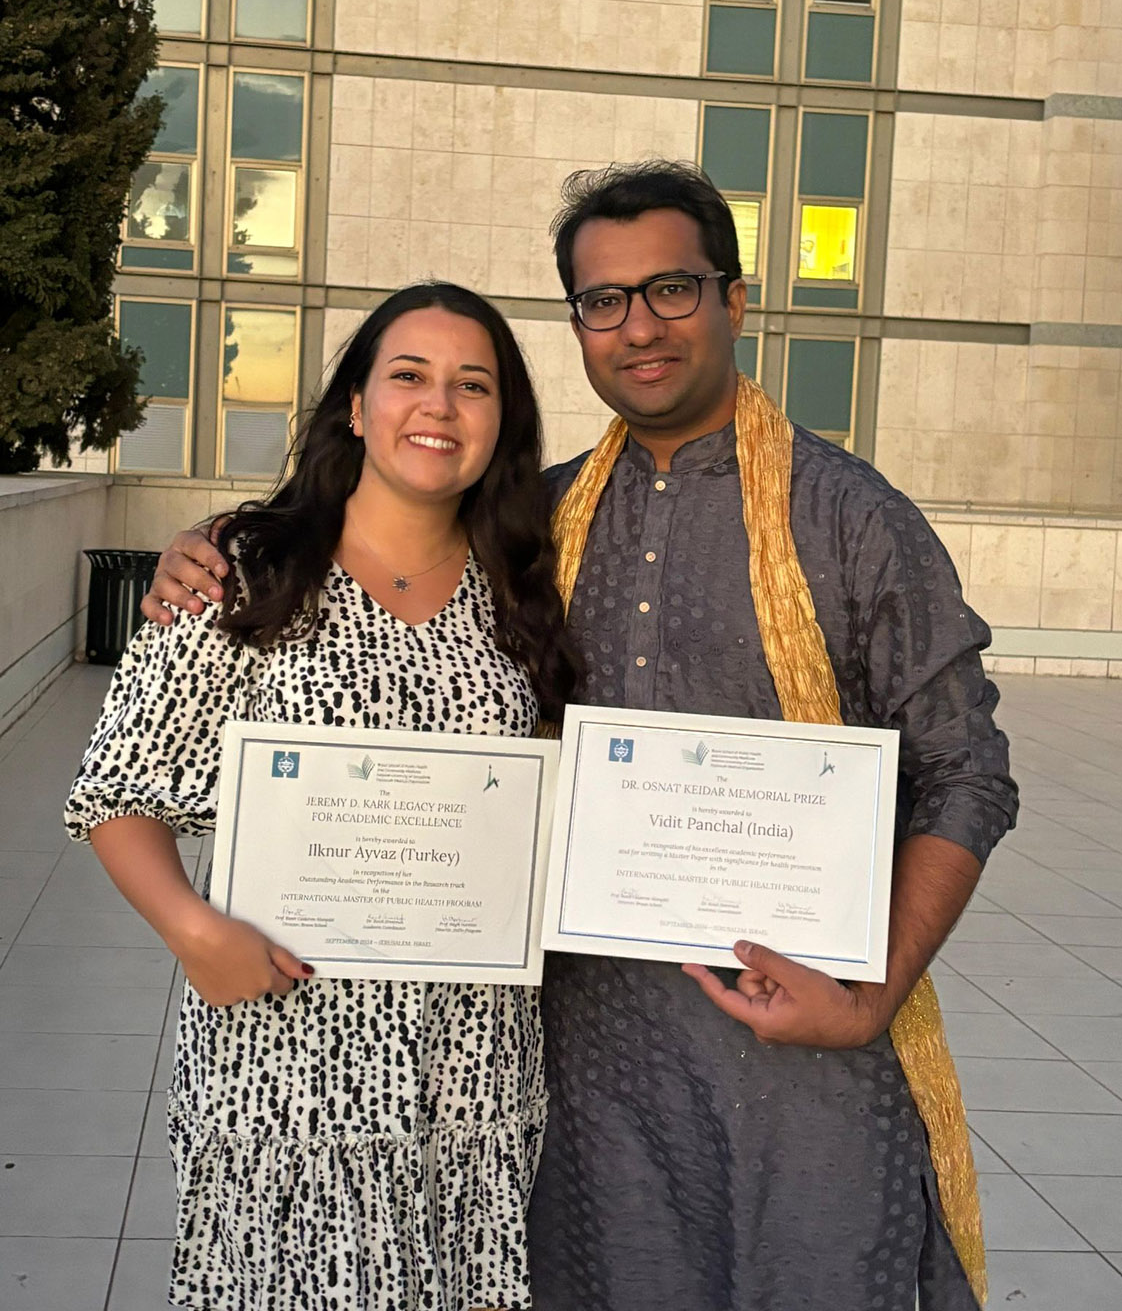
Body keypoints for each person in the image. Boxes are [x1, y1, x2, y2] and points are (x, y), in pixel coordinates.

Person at [141, 164, 1018, 1311]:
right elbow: (378, 529)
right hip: (591, 1069)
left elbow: (966, 770)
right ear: (578, 325)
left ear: (736, 298)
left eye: (671, 288)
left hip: (807, 1069)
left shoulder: (850, 515)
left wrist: (872, 991)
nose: (639, 325)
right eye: (605, 300)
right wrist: (218, 542)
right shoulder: (535, 524)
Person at [66, 282, 581, 1311]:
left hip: (471, 1072)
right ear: (356, 403)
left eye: (472, 385)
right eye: (409, 376)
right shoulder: (246, 571)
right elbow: (115, 790)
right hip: (288, 1064)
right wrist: (191, 929)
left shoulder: (528, 591)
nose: (438, 405)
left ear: (503, 422)